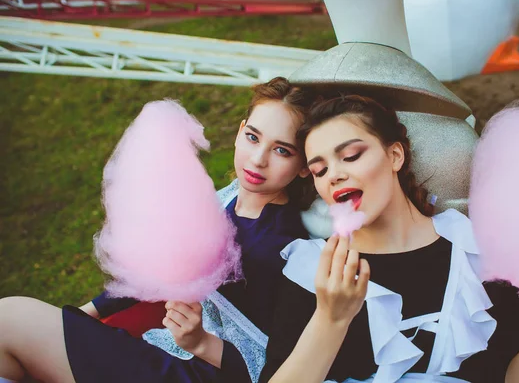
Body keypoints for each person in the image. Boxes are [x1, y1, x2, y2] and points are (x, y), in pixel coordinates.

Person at [0, 77, 315, 383]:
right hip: (164, 348)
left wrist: (201, 343)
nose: (258, 159)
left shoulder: (286, 247)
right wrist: (86, 314)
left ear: (304, 166)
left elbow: (283, 370)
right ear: (239, 131)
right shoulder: (229, 196)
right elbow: (157, 269)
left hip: (194, 373)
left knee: (8, 320)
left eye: (282, 150)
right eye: (253, 137)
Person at [261, 95, 519, 383]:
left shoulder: (475, 255)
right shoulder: (312, 272)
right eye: (319, 170)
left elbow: (500, 377)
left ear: (395, 156)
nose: (334, 174)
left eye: (350, 156)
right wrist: (330, 319)